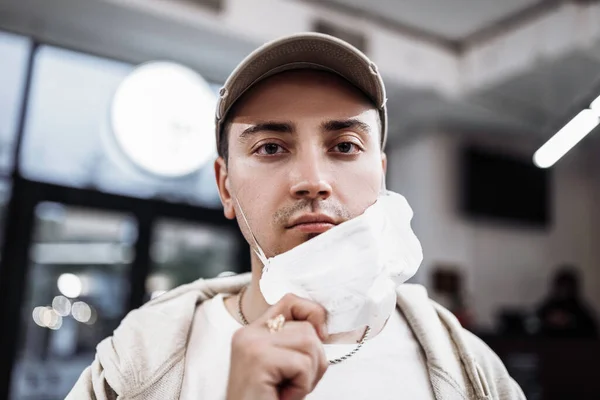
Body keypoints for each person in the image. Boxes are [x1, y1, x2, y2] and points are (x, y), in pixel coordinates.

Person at [67, 33, 525, 400]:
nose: (312, 180)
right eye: (270, 147)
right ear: (225, 186)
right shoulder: (138, 363)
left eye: (345, 146)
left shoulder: (471, 369)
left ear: (381, 176)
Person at [536, 266, 598, 338]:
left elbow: (591, 330)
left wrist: (571, 321)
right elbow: (534, 323)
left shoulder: (580, 309)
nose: (564, 291)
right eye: (561, 286)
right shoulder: (548, 306)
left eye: (567, 286)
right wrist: (548, 320)